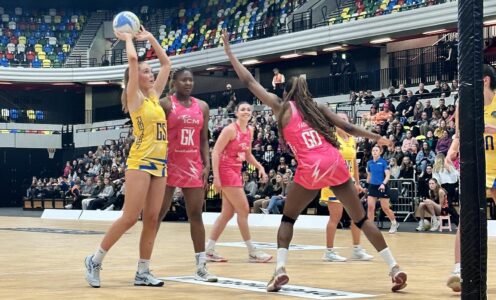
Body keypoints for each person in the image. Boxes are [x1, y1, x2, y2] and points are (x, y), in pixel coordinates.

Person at [221, 29, 407, 293]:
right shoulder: (317, 108)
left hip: (311, 167)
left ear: (286, 93)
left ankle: (280, 270)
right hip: (335, 161)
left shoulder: (282, 107)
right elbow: (349, 128)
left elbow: (250, 82)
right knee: (362, 219)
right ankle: (394, 268)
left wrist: (229, 52)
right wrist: (378, 138)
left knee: (288, 220)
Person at [84, 26, 170, 288]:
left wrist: (151, 39)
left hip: (160, 164)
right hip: (140, 162)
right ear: (134, 78)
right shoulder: (135, 98)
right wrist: (129, 38)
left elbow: (167, 64)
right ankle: (95, 259)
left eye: (149, 71)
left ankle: (143, 272)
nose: (151, 73)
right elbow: (133, 61)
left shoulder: (155, 97)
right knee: (130, 217)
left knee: (153, 219)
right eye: (146, 72)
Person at [156, 67, 217, 282]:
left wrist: (207, 164)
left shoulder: (202, 106)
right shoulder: (165, 104)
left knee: (196, 215)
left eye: (191, 80)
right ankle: (143, 264)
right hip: (168, 164)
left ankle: (201, 267)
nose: (188, 83)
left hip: (193, 165)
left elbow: (203, 139)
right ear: (174, 82)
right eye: (184, 80)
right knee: (157, 215)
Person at [445, 64, 496, 292]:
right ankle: (458, 269)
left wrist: (491, 129)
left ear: (484, 80)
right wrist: (452, 149)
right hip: (476, 168)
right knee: (466, 221)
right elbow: (458, 134)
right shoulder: (463, 103)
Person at [205, 101, 272, 263]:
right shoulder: (230, 130)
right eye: (242, 109)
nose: (246, 111)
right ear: (236, 113)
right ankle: (252, 251)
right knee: (243, 209)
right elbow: (215, 153)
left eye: (249, 109)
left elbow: (248, 155)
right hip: (226, 171)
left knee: (227, 213)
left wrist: (259, 167)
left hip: (236, 171)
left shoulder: (250, 130)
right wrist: (217, 178)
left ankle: (209, 250)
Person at [320, 113, 373, 262]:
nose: (342, 121)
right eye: (340, 119)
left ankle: (357, 249)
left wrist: (356, 182)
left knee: (357, 216)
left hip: (348, 184)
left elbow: (354, 164)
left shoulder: (351, 139)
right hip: (334, 182)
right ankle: (329, 252)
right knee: (335, 217)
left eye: (345, 119)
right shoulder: (331, 139)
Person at [366, 145, 399, 234]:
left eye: (376, 150)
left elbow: (388, 175)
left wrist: (383, 184)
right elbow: (369, 175)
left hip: (382, 186)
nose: (374, 152)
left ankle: (394, 223)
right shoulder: (369, 163)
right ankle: (371, 227)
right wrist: (367, 184)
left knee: (385, 208)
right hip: (372, 187)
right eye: (373, 150)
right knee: (370, 207)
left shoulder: (383, 162)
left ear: (380, 152)